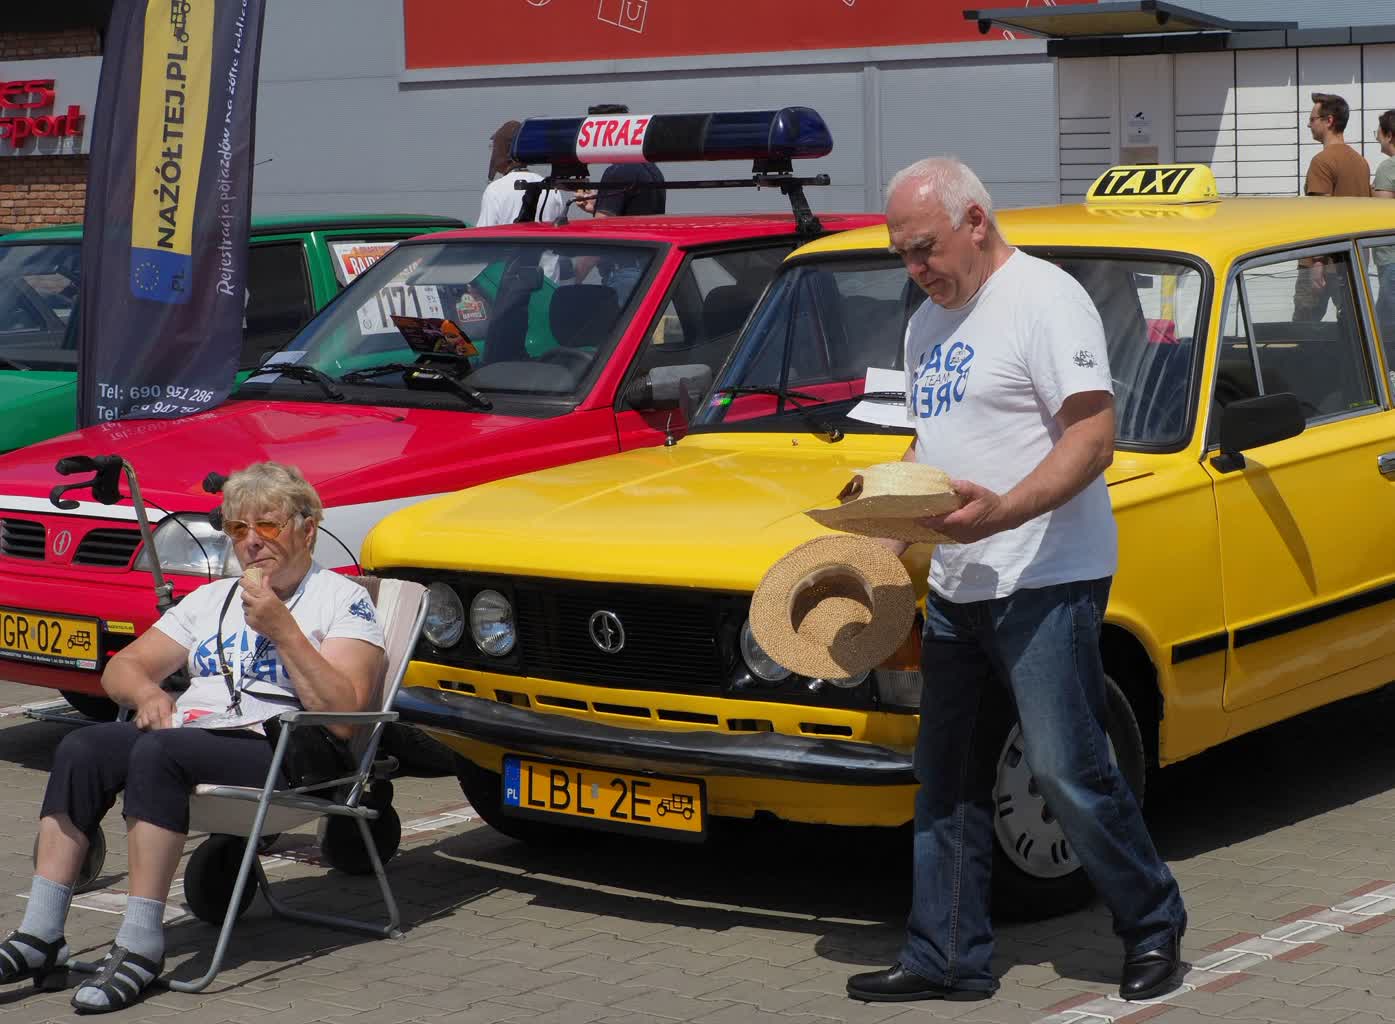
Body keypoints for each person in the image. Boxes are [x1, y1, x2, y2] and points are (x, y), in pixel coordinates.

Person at [844, 158, 1186, 1005]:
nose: (914, 268)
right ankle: (946, 956)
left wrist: (1005, 512)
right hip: (961, 581)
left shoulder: (1044, 299)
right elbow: (937, 448)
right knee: (948, 776)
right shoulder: (927, 322)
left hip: (1047, 577)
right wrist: (884, 530)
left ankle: (1152, 925)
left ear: (973, 220)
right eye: (901, 254)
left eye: (923, 248)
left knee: (1068, 769)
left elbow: (1091, 438)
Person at [0, 462, 385, 1013]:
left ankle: (140, 945)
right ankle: (41, 935)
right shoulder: (214, 599)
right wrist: (148, 694)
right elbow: (123, 668)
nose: (252, 543)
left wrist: (283, 630)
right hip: (204, 738)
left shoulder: (341, 601)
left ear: (308, 527)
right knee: (84, 747)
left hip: (293, 752)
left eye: (268, 526)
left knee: (160, 751)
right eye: (237, 529)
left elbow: (346, 716)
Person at [1296, 92, 1372, 320]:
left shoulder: (1322, 162)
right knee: (1350, 329)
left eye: (1312, 119)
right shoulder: (1361, 161)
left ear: (1329, 121)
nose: (1308, 124)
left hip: (1323, 263)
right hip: (1352, 261)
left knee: (1303, 328)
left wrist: (1317, 261)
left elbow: (1321, 213)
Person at [476, 119, 568, 228]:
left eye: (494, 147)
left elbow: (484, 235)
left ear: (503, 150)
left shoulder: (495, 190)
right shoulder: (552, 188)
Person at [1372, 110, 1395, 334]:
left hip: (1391, 259)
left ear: (1389, 135)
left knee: (1386, 329)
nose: (1377, 137)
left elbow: (1383, 216)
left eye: (1378, 132)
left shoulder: (1388, 168)